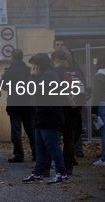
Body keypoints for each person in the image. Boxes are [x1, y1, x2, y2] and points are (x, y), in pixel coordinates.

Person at [22, 53, 68, 185]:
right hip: (41, 116)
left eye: (34, 66)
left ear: (39, 65)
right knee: (40, 146)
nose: (32, 68)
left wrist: (32, 77)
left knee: (52, 145)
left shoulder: (48, 76)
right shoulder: (45, 76)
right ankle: (38, 173)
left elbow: (34, 91)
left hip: (48, 115)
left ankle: (61, 173)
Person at [43, 48, 79, 176]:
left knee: (52, 138)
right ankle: (68, 168)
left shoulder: (54, 72)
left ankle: (46, 168)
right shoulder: (76, 70)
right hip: (74, 108)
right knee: (69, 137)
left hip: (58, 108)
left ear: (55, 59)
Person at [1, 49, 36, 163]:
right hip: (27, 103)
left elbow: (4, 86)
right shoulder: (28, 70)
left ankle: (19, 155)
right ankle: (36, 153)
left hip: (14, 104)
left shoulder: (9, 71)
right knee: (30, 130)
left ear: (12, 57)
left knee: (16, 131)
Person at [91, 52, 105, 166]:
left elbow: (97, 95)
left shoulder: (99, 76)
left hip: (103, 105)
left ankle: (104, 158)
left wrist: (93, 111)